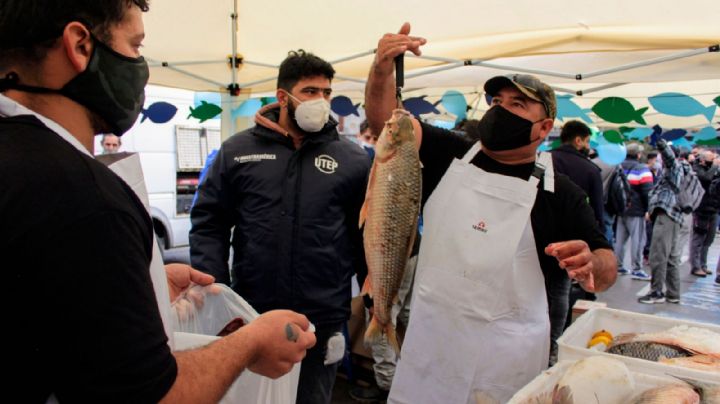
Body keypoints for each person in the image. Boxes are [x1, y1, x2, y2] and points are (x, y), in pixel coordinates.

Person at [0, 1, 315, 402]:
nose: (139, 67)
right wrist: (250, 344)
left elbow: (44, 312)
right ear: (80, 46)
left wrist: (137, 288)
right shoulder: (81, 196)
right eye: (134, 47)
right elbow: (152, 394)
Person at [365, 23, 617, 403]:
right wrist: (382, 69)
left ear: (545, 127)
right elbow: (388, 121)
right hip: (432, 351)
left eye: (518, 105)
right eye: (497, 102)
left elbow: (606, 263)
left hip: (506, 365)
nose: (502, 110)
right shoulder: (448, 154)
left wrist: (591, 263)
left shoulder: (560, 192)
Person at [189, 50, 371, 404]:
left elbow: (363, 232)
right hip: (253, 311)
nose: (320, 101)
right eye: (309, 91)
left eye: (326, 92)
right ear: (282, 97)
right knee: (250, 396)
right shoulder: (237, 151)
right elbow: (209, 222)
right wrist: (215, 290)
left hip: (322, 316)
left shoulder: (351, 159)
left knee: (312, 397)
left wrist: (375, 295)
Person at [640, 139, 693, 304]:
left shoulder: (674, 167)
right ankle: (673, 293)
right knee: (671, 257)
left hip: (666, 215)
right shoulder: (682, 169)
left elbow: (669, 158)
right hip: (674, 216)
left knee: (658, 255)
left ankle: (656, 292)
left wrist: (660, 142)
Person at [551, 120, 604, 226]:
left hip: (542, 229)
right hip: (575, 231)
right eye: (587, 141)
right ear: (578, 141)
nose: (588, 147)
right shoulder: (591, 169)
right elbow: (597, 210)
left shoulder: (542, 160)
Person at [614, 142, 653, 280]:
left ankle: (618, 265)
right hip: (636, 210)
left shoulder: (618, 166)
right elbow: (647, 191)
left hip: (620, 209)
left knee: (620, 240)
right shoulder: (642, 169)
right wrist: (648, 209)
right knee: (638, 240)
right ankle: (637, 268)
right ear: (638, 154)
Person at [689, 150, 720, 277]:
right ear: (702, 160)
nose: (713, 162)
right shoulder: (696, 168)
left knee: (709, 239)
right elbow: (706, 178)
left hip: (713, 208)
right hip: (701, 209)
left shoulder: (713, 169)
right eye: (710, 160)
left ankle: (703, 264)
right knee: (698, 238)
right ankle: (695, 266)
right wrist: (715, 166)